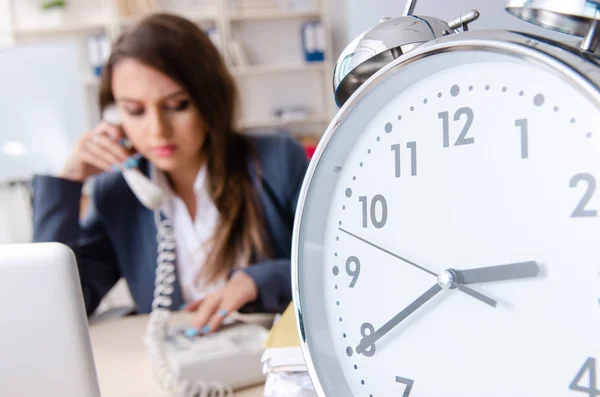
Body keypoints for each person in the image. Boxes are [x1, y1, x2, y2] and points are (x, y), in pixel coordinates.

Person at [31, 13, 309, 335]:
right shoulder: (118, 194)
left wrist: (258, 282)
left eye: (177, 105)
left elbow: (332, 266)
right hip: (178, 371)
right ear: (114, 116)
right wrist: (68, 181)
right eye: (135, 111)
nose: (157, 130)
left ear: (210, 101)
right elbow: (54, 306)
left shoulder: (277, 160)